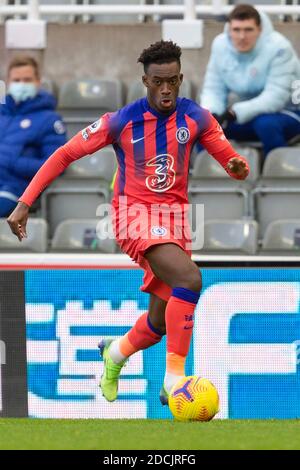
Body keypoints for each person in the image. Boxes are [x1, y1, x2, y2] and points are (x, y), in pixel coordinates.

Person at [7, 41, 249, 406]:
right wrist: (25, 201)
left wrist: (236, 166)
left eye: (172, 81)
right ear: (145, 81)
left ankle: (115, 354)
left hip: (175, 220)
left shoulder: (197, 117)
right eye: (157, 82)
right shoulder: (121, 121)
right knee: (189, 279)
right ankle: (174, 381)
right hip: (132, 216)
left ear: (181, 78)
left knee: (160, 322)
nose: (165, 89)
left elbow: (228, 157)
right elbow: (64, 153)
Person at [200, 4, 300, 158]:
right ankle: (211, 176)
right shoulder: (220, 45)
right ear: (229, 29)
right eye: (237, 30)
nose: (242, 36)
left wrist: (234, 112)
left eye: (248, 30)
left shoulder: (280, 48)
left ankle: (277, 175)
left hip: (289, 112)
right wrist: (212, 112)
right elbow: (213, 88)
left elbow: (275, 98)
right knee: (203, 127)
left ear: (260, 30)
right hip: (245, 115)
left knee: (266, 125)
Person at [0, 56, 66, 217]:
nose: (21, 84)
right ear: (8, 82)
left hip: (14, 189)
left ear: (37, 82)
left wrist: (12, 162)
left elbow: (56, 165)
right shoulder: (2, 113)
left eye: (27, 79)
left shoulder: (49, 119)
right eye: (16, 80)